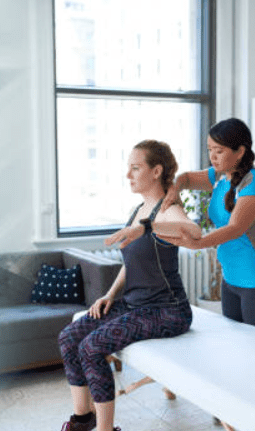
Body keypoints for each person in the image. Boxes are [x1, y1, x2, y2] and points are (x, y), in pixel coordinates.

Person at [57, 140, 201, 431]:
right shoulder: (138, 209)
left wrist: (147, 226)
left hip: (167, 311)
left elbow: (193, 231)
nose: (129, 175)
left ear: (156, 171)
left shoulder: (167, 209)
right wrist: (109, 295)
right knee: (69, 338)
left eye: (136, 168)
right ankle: (83, 421)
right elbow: (131, 260)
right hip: (135, 304)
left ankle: (105, 429)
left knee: (91, 347)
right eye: (128, 168)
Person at [159, 117, 255, 336]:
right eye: (210, 150)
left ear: (240, 151)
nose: (212, 157)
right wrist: (175, 189)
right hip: (230, 281)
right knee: (234, 348)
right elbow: (186, 178)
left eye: (219, 150)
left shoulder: (252, 181)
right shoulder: (220, 176)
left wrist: (197, 243)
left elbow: (236, 227)